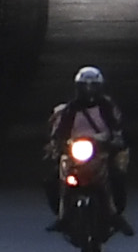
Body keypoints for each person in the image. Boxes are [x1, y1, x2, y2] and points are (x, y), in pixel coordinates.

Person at [43, 63, 130, 234]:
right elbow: (61, 131)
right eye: (85, 86)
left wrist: (116, 140)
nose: (89, 91)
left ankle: (115, 214)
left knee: (116, 176)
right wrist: (56, 144)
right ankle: (62, 215)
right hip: (75, 151)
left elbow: (116, 126)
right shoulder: (70, 109)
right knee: (53, 179)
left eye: (93, 86)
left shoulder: (106, 106)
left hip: (102, 149)